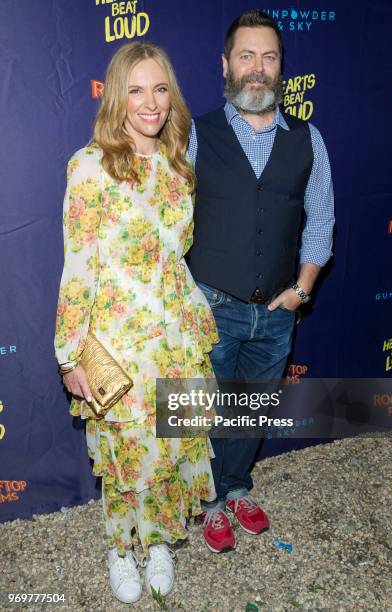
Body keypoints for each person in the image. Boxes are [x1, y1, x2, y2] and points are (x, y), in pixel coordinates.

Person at [54, 42, 219, 603]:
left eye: (161, 88)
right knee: (126, 455)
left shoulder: (178, 163)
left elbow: (178, 253)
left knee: (173, 448)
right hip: (118, 343)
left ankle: (158, 544)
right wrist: (71, 351)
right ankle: (120, 548)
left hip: (177, 335)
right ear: (116, 95)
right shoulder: (90, 166)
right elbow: (79, 265)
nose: (150, 103)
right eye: (137, 90)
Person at [187, 10, 335, 553]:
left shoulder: (309, 139)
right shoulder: (195, 134)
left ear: (281, 68)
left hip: (275, 312)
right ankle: (207, 503)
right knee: (202, 410)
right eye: (246, 56)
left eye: (268, 57)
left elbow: (320, 218)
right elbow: (168, 222)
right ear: (225, 65)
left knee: (249, 411)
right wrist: (189, 298)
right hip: (211, 307)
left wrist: (302, 289)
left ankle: (236, 487)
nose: (257, 68)